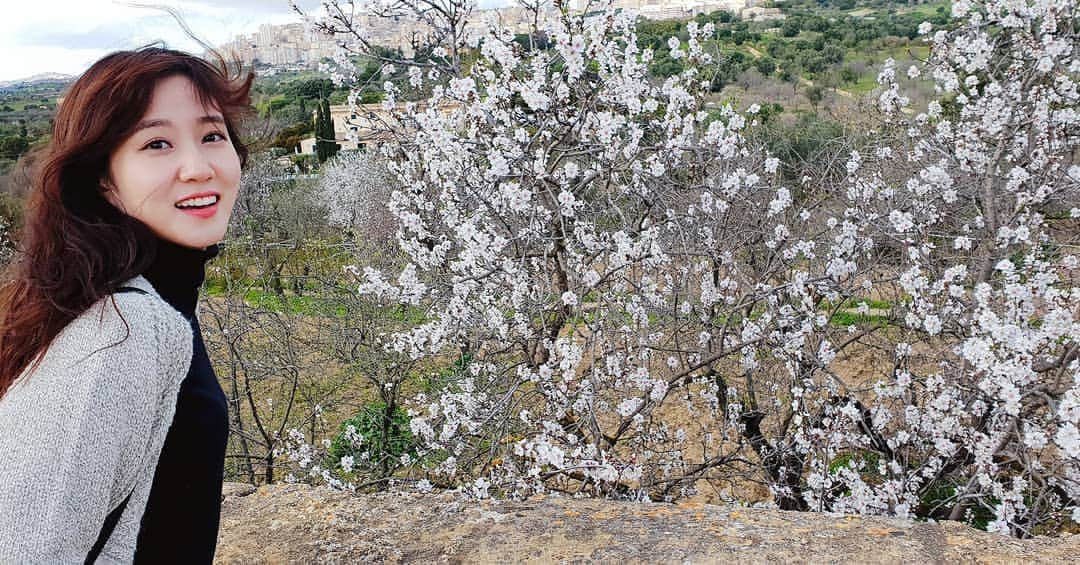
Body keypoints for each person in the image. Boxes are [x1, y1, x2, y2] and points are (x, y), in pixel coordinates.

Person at [0, 46, 251, 563]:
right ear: (102, 181)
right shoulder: (124, 330)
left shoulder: (139, 304)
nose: (197, 167)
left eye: (212, 136)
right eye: (157, 143)